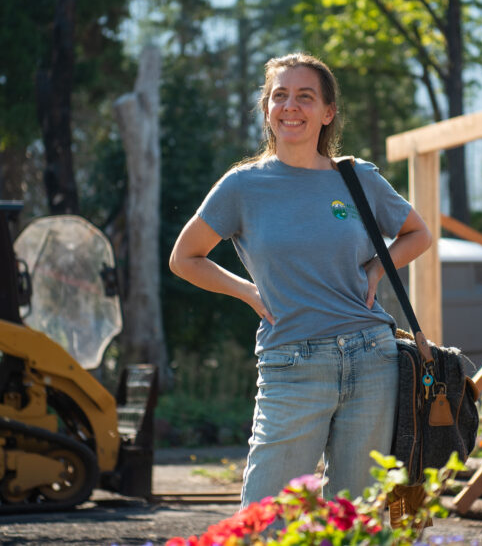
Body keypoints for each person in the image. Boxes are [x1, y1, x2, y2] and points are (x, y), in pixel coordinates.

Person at [169, 52, 432, 506]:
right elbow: (184, 258)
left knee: (356, 514)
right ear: (267, 109)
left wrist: (374, 268)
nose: (290, 106)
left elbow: (418, 234)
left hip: (372, 358)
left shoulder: (358, 179)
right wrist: (248, 292)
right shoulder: (242, 187)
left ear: (327, 112)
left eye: (305, 97)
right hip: (291, 361)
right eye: (280, 96)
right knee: (265, 516)